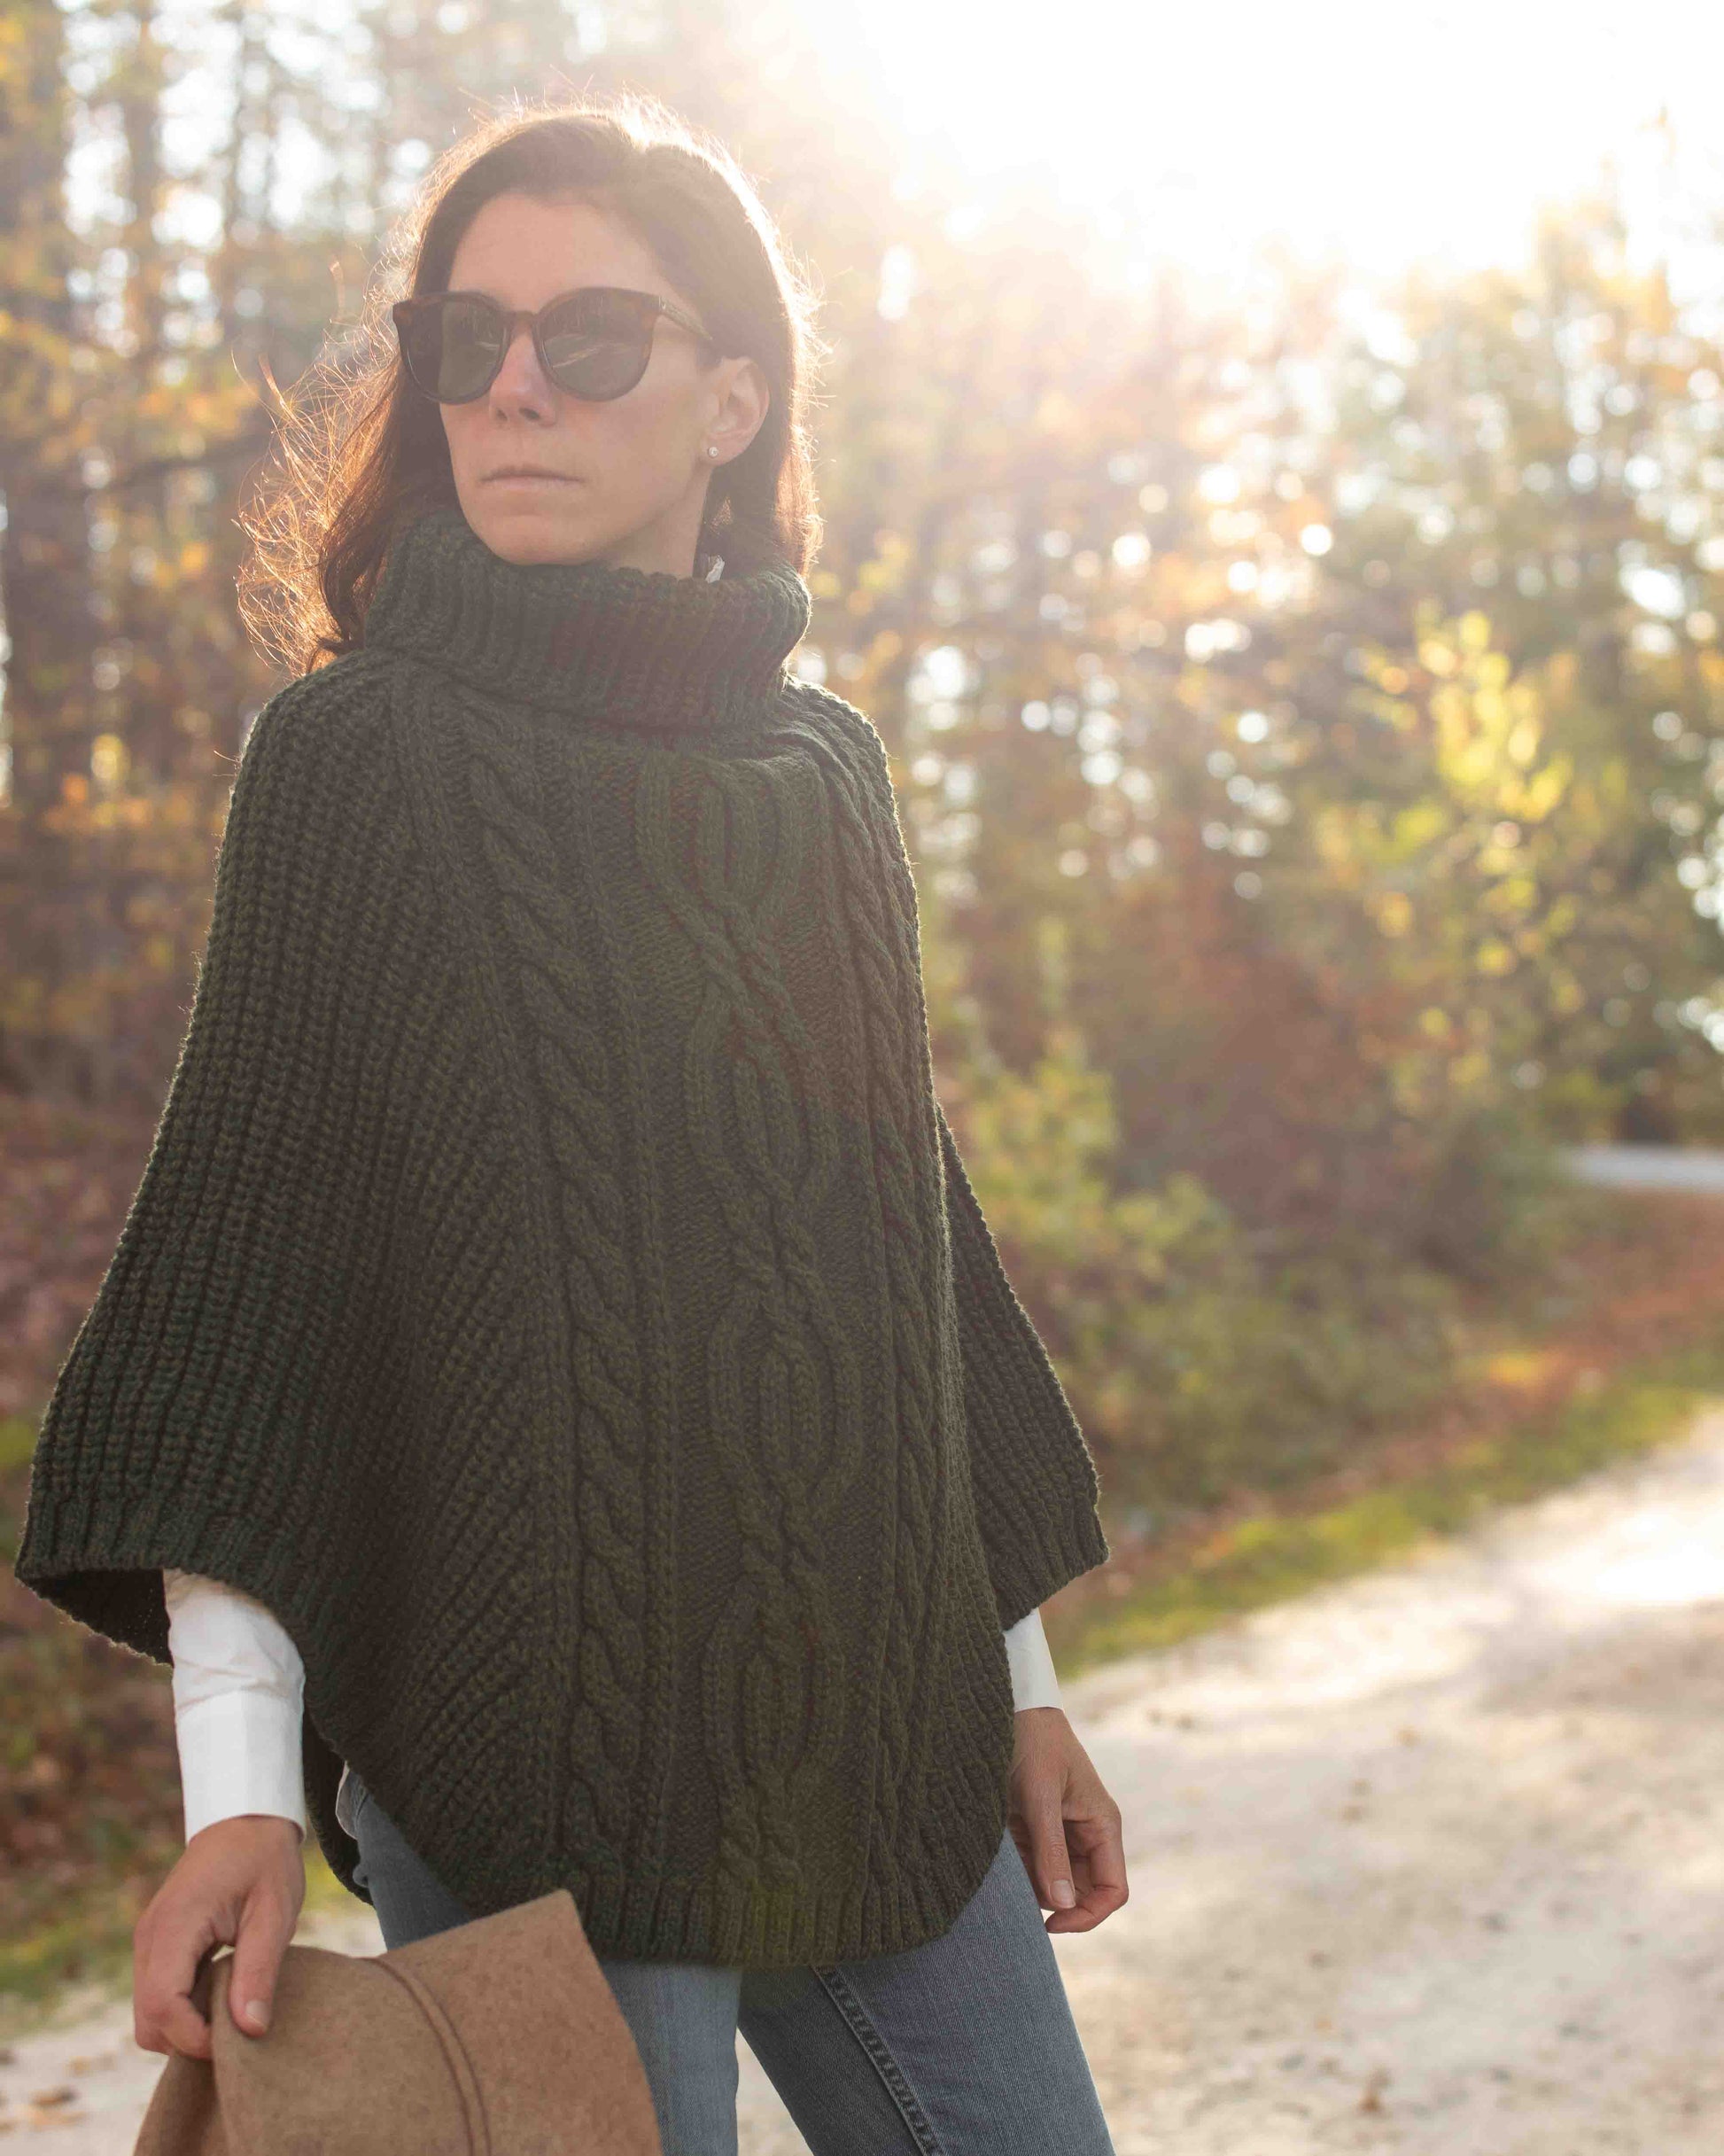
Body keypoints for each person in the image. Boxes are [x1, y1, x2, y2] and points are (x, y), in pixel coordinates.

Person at [13, 93, 1123, 2153]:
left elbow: (901, 1268)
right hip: (534, 1756)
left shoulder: (826, 778)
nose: (510, 384)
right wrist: (242, 1790)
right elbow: (255, 1319)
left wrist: (1017, 1676)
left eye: (587, 339)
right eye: (465, 338)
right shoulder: (354, 767)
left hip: (876, 1727)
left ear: (727, 398)